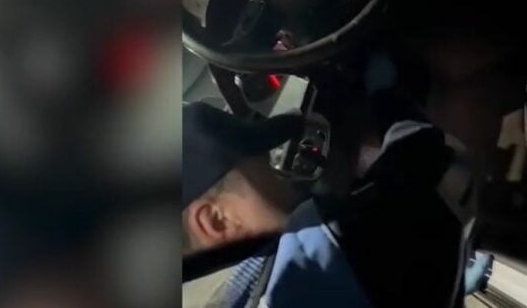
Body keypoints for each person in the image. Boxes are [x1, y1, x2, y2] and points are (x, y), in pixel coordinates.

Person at [182, 53, 481, 308]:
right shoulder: (309, 264)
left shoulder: (242, 293)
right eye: (260, 159)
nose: (278, 164)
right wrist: (385, 92)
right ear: (217, 219)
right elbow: (442, 171)